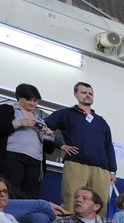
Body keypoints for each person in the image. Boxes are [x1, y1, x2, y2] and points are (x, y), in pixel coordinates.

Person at [45, 81, 117, 212]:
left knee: (100, 204)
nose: (88, 95)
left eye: (90, 93)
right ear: (76, 95)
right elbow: (44, 127)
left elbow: (108, 146)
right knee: (72, 199)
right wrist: (60, 145)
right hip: (76, 163)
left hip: (101, 168)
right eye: (84, 92)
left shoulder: (101, 121)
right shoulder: (66, 113)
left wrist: (113, 170)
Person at [0, 83, 57, 199]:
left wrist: (49, 137)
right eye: (28, 100)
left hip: (36, 161)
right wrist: (20, 123)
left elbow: (50, 150)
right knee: (10, 189)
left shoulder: (40, 121)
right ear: (19, 98)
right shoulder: (8, 110)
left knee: (31, 194)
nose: (32, 103)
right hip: (12, 156)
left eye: (35, 100)